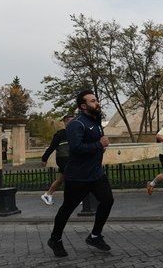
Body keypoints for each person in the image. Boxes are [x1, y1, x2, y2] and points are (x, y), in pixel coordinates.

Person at [47, 90, 114, 258]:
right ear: (83, 106)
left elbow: (93, 143)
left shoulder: (95, 121)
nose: (97, 103)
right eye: (93, 101)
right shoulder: (76, 124)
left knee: (107, 201)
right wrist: (99, 145)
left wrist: (99, 148)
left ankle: (95, 236)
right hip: (78, 176)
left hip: (96, 173)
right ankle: (55, 239)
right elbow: (76, 147)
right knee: (67, 209)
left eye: (96, 100)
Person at [40, 114, 74, 205]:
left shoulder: (76, 133)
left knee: (61, 179)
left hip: (71, 159)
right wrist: (44, 159)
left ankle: (48, 194)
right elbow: (51, 147)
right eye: (71, 121)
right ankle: (73, 197)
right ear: (65, 123)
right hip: (62, 159)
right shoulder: (60, 134)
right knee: (71, 177)